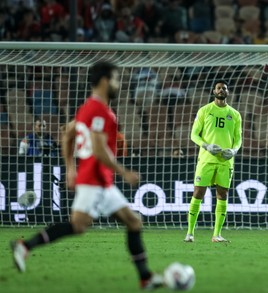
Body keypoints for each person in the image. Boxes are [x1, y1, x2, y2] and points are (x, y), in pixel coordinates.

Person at [10, 61, 164, 290]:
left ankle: (146, 278)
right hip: (94, 180)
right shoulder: (100, 111)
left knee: (133, 222)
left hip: (102, 181)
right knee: (79, 225)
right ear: (104, 81)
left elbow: (67, 133)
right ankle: (25, 246)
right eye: (115, 79)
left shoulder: (87, 108)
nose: (118, 84)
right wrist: (124, 172)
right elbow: (99, 149)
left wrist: (70, 168)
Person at [184, 80, 242, 243]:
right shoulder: (205, 110)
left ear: (228, 92)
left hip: (225, 161)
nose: (221, 90)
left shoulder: (235, 114)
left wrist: (234, 150)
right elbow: (194, 135)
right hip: (206, 159)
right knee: (198, 193)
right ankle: (190, 233)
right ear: (213, 91)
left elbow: (238, 139)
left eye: (224, 88)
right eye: (219, 88)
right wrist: (206, 146)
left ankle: (216, 235)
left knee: (222, 194)